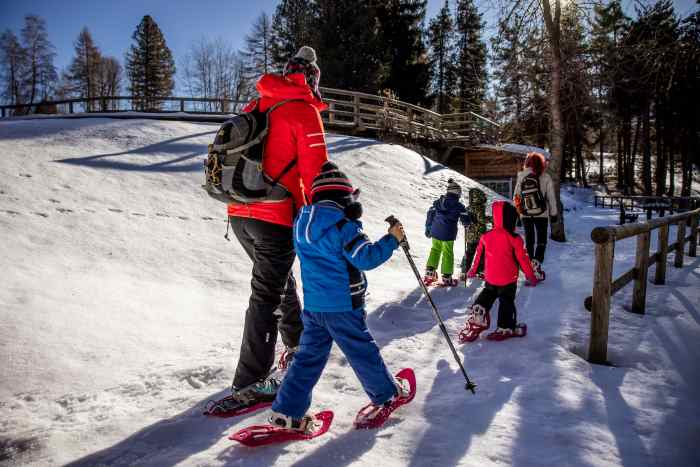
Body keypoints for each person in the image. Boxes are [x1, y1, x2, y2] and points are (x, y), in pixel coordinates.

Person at [267, 161, 412, 431]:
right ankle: (386, 394)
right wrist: (392, 239)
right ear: (344, 199)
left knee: (307, 360)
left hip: (313, 308)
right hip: (343, 307)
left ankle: (286, 412)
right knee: (361, 351)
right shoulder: (344, 227)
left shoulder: (301, 223)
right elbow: (365, 258)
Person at [226, 46, 328, 408]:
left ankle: (297, 343)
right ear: (312, 80)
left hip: (239, 213)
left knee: (277, 281)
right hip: (274, 216)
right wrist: (322, 212)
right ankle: (250, 382)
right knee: (266, 294)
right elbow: (316, 175)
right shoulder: (303, 110)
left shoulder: (257, 105)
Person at [459, 200, 539, 342]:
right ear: (510, 219)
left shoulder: (486, 236)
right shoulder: (514, 238)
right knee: (506, 301)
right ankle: (505, 327)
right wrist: (531, 276)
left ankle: (480, 309)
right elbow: (523, 259)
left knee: (488, 293)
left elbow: (478, 255)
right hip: (508, 279)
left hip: (490, 277)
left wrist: (472, 270)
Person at [512, 152, 558, 281]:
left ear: (527, 163)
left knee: (530, 241)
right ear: (541, 163)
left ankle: (529, 265)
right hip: (541, 214)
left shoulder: (521, 176)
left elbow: (516, 196)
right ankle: (536, 263)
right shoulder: (546, 177)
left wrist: (518, 213)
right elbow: (551, 198)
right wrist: (553, 214)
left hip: (525, 214)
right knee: (541, 240)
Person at [423, 178, 471, 286]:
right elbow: (466, 218)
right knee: (447, 253)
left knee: (435, 249)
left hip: (435, 232)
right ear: (457, 193)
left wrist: (428, 228)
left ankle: (430, 272)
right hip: (448, 234)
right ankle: (446, 276)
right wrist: (467, 223)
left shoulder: (437, 202)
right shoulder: (459, 206)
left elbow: (430, 214)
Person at [459, 188, 490, 282]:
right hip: (480, 235)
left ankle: (464, 271)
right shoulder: (479, 207)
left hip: (470, 235)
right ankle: (481, 270)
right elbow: (482, 219)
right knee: (482, 253)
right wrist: (491, 219)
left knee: (469, 253)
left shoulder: (468, 207)